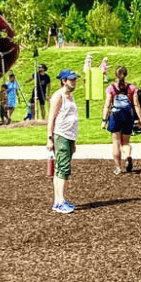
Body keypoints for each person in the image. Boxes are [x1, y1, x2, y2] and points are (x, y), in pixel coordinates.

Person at [47, 69, 79, 214]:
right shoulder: (58, 96)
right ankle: (59, 201)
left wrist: (74, 140)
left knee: (61, 168)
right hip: (61, 135)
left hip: (69, 136)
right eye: (71, 79)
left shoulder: (70, 96)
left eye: (75, 79)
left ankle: (59, 200)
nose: (74, 82)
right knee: (63, 169)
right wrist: (49, 138)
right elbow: (51, 118)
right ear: (64, 81)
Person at [101, 65, 141, 175]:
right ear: (126, 75)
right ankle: (128, 156)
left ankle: (118, 168)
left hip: (115, 116)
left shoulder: (111, 88)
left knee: (116, 142)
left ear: (115, 75)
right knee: (126, 142)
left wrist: (104, 120)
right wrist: (140, 119)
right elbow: (136, 104)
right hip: (128, 116)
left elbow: (107, 105)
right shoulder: (132, 88)